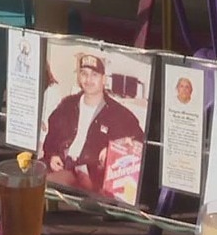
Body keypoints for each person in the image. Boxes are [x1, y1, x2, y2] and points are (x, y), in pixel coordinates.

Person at [41, 53, 145, 192]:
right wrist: (52, 155)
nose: (88, 79)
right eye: (84, 73)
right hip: (61, 166)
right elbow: (51, 137)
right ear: (79, 77)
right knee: (27, 174)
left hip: (90, 177)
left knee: (40, 185)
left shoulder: (119, 114)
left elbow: (138, 142)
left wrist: (112, 150)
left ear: (104, 79)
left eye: (94, 75)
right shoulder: (67, 104)